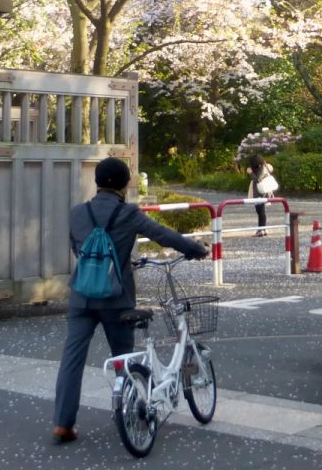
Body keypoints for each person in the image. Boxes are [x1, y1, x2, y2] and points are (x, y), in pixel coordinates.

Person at [52, 156, 209, 443]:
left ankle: (63, 423)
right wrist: (195, 249)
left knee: (72, 359)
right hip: (116, 298)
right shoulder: (129, 213)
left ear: (97, 182)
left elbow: (80, 250)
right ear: (125, 184)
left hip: (81, 297)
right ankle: (135, 415)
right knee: (124, 358)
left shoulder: (77, 214)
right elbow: (162, 235)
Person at [245, 153, 275, 237]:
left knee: (260, 211)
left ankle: (261, 230)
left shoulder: (263, 168)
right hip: (262, 192)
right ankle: (263, 229)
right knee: (261, 211)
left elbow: (258, 179)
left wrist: (250, 173)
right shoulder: (263, 167)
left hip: (261, 193)